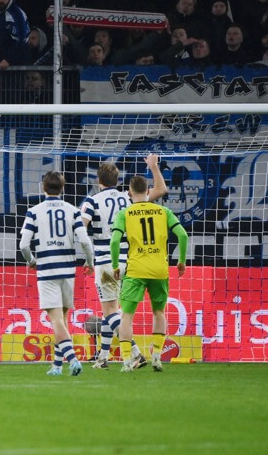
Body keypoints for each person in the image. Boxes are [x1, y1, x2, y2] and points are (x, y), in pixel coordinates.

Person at [80, 154, 167, 369]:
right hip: (129, 261)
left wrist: (88, 258)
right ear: (118, 181)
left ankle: (135, 353)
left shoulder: (92, 201)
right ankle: (103, 358)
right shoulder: (128, 198)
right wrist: (154, 168)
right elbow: (160, 190)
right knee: (113, 311)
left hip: (106, 260)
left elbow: (81, 230)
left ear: (98, 181)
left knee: (110, 311)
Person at [111, 176, 190, 373]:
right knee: (159, 313)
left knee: (127, 316)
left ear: (130, 192)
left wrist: (115, 266)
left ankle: (128, 361)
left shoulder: (125, 213)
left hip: (136, 269)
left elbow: (114, 241)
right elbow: (183, 235)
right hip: (159, 269)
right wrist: (181, 261)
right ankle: (156, 358)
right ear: (148, 191)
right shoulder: (164, 211)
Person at [19, 172, 94, 377]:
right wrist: (89, 261)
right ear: (62, 188)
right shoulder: (73, 210)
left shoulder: (34, 212)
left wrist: (32, 261)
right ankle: (57, 365)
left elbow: (24, 244)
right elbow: (85, 241)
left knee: (56, 320)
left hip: (47, 269)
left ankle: (73, 360)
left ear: (43, 187)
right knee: (63, 320)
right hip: (68, 269)